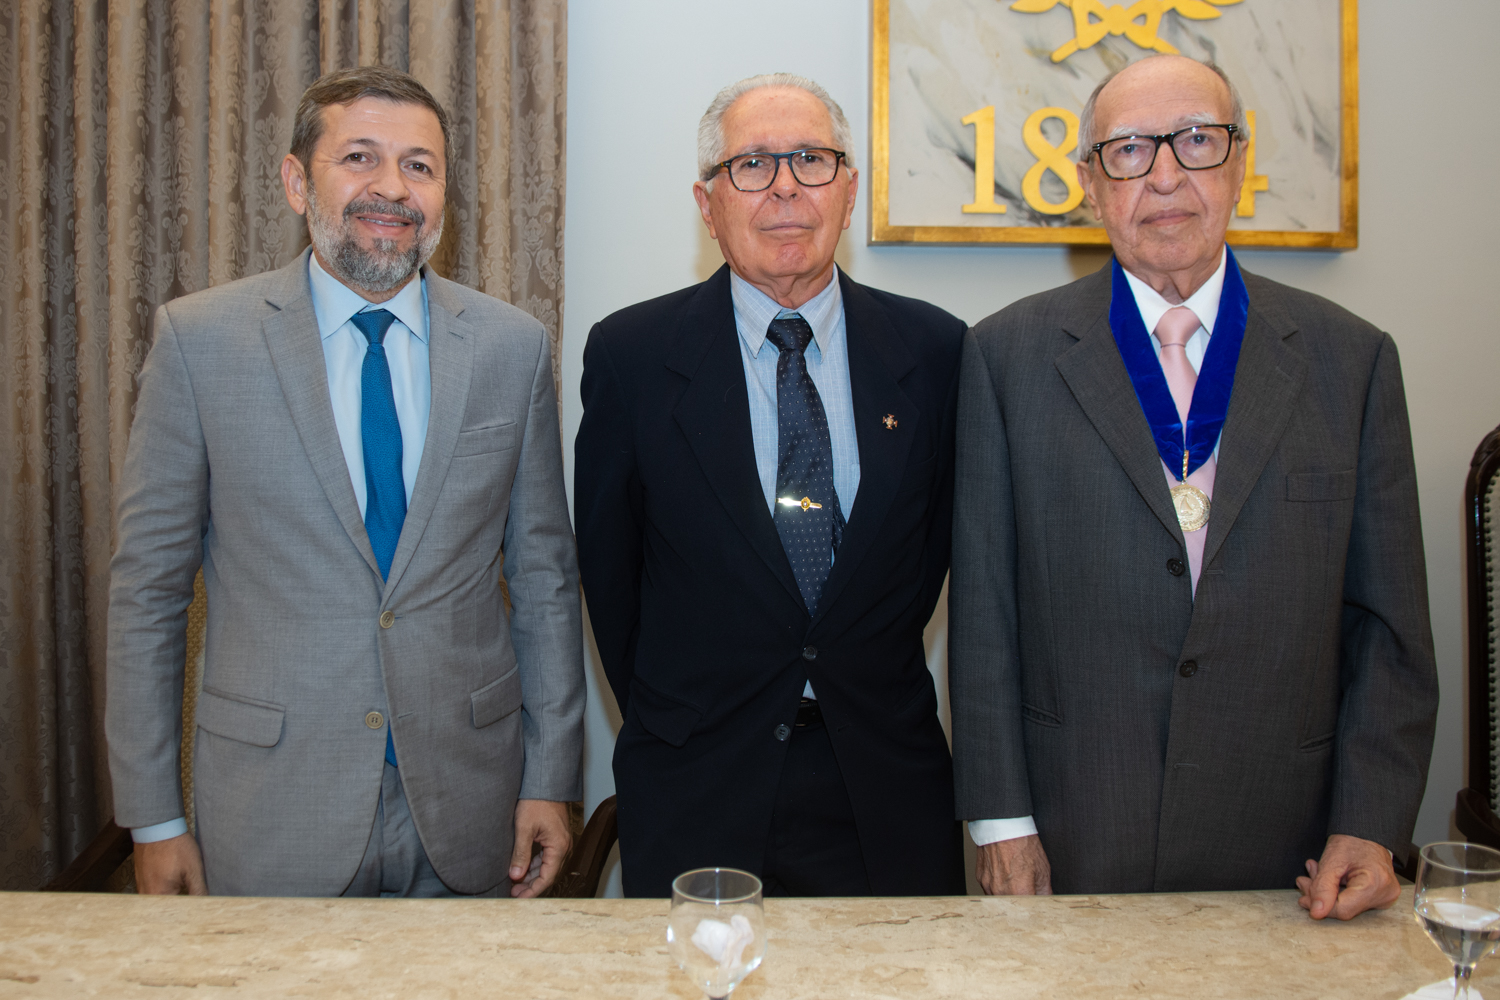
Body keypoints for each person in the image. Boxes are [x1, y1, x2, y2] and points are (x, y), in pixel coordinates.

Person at [950, 55, 1439, 920]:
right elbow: (984, 616)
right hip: (1074, 833)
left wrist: (1370, 823)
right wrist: (1000, 823)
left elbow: (1388, 630)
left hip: (1292, 851)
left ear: (1241, 164)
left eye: (1197, 141)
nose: (1166, 175)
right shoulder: (1003, 356)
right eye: (1130, 150)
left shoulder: (1352, 360)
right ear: (1091, 185)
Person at [106, 66, 584, 898]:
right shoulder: (200, 341)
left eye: (419, 166)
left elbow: (544, 580)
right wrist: (154, 821)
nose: (391, 187)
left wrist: (550, 778)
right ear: (298, 182)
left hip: (470, 806)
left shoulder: (512, 348)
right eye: (360, 157)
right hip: (273, 808)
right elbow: (147, 592)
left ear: (444, 194)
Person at [575, 73, 967, 897]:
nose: (786, 186)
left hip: (885, 790)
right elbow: (611, 582)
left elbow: (935, 557)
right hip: (698, 784)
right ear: (707, 203)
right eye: (752, 164)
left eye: (812, 160)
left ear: (848, 191)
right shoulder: (631, 357)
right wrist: (687, 713)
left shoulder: (937, 352)